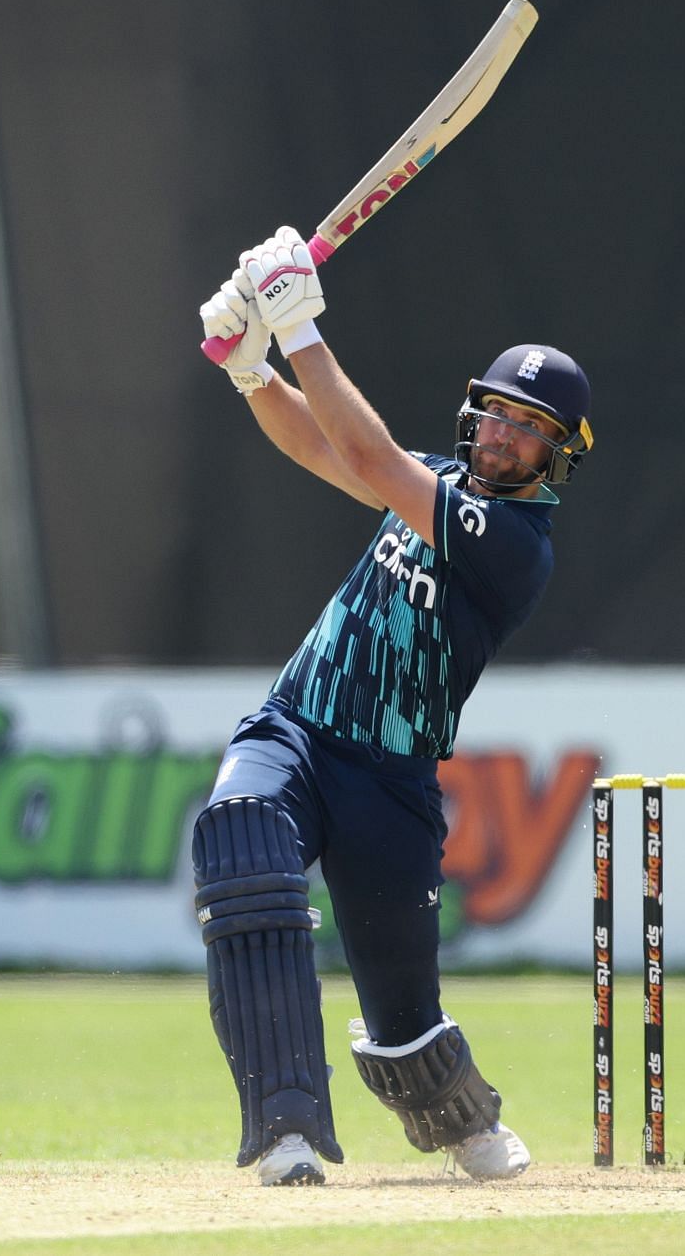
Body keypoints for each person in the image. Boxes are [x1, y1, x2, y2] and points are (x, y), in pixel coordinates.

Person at [191, 227, 594, 1185]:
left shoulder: (514, 545)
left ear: (557, 455)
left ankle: (463, 1121)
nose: (501, 433)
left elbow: (369, 457)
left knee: (407, 1027)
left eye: (526, 425)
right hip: (295, 727)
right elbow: (320, 444)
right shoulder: (435, 482)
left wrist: (297, 323)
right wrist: (250, 366)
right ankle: (286, 1131)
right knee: (241, 839)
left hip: (389, 781)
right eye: (494, 412)